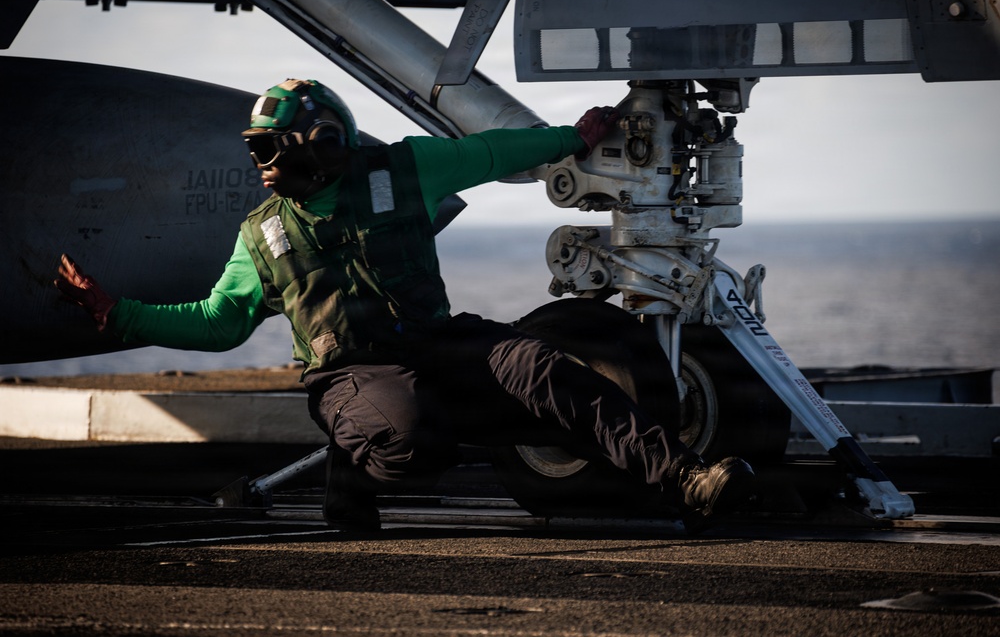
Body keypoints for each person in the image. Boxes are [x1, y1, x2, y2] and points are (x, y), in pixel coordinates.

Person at [55, 78, 755, 533]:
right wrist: (119, 315)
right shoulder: (261, 235)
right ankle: (349, 470)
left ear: (324, 141)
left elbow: (488, 153)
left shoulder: (401, 171)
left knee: (542, 369)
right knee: (413, 432)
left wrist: (572, 137)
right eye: (257, 149)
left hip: (439, 343)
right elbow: (219, 322)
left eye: (272, 146)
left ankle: (687, 480)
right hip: (349, 376)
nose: (262, 161)